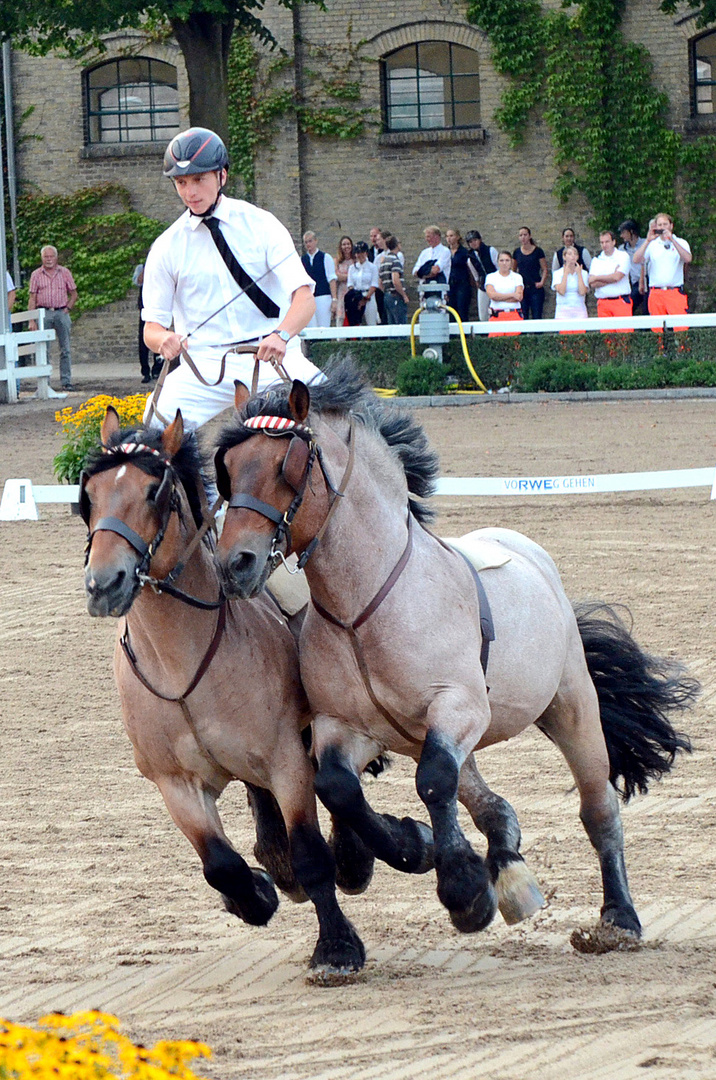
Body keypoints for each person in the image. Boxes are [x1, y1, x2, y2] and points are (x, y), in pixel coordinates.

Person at [141, 127, 320, 430]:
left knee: (348, 415)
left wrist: (282, 335)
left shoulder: (262, 224)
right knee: (152, 431)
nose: (190, 192)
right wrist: (164, 340)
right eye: (181, 182)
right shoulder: (165, 246)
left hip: (272, 357)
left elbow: (304, 300)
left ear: (222, 175)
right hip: (202, 368)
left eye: (199, 180)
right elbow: (152, 328)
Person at [28, 245, 77, 391]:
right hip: (44, 312)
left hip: (61, 312)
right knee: (44, 349)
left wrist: (68, 308)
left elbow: (74, 293)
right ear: (42, 258)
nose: (49, 260)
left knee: (65, 348)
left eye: (51, 256)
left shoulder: (65, 272)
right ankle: (45, 383)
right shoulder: (36, 275)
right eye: (46, 257)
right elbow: (32, 298)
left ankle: (66, 381)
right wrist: (32, 319)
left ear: (56, 257)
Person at [632, 213, 691, 332]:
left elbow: (688, 259)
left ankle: (682, 350)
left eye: (665, 224)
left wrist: (672, 240)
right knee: (656, 330)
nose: (663, 227)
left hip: (674, 291)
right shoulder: (652, 244)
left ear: (671, 226)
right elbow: (636, 260)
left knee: (681, 329)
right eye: (660, 225)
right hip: (656, 293)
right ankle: (660, 351)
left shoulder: (681, 242)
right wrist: (647, 241)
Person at [588, 230, 633, 332]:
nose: (604, 245)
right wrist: (611, 276)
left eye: (607, 242)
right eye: (602, 242)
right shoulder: (597, 260)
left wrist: (598, 277)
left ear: (613, 242)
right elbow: (592, 283)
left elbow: (617, 277)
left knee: (624, 337)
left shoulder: (623, 256)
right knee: (607, 339)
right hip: (603, 303)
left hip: (620, 301)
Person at [133, 263, 162, 383]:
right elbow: (137, 281)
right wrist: (146, 269)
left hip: (159, 308)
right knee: (143, 341)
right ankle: (145, 371)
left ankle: (157, 369)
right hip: (145, 309)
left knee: (159, 339)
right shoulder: (141, 267)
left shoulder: (160, 266)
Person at [302, 232, 337, 327]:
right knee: (310, 327)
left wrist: (334, 299)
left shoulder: (326, 257)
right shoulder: (302, 260)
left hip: (323, 296)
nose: (308, 244)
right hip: (308, 298)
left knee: (323, 326)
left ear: (315, 241)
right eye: (306, 242)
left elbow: (331, 279)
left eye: (310, 241)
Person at [485, 251, 524, 336]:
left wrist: (499, 297)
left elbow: (519, 297)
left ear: (511, 262)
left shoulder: (517, 277)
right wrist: (512, 294)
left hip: (514, 314)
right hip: (496, 314)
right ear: (497, 262)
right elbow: (492, 295)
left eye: (507, 260)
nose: (504, 263)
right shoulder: (491, 277)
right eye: (501, 260)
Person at [512, 227, 547, 319]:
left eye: (525, 235)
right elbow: (513, 270)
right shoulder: (517, 252)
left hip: (535, 288)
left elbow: (544, 269)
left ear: (530, 236)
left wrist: (542, 282)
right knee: (523, 316)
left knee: (537, 315)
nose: (523, 237)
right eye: (521, 235)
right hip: (522, 289)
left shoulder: (538, 251)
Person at [552, 245, 590, 330]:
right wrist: (565, 273)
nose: (572, 256)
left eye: (575, 254)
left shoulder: (584, 273)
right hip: (563, 311)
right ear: (564, 257)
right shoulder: (557, 273)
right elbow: (561, 291)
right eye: (569, 254)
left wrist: (579, 274)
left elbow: (582, 291)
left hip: (579, 309)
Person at [465, 230, 499, 321]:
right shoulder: (470, 258)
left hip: (496, 283)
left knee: (496, 309)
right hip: (483, 284)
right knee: (483, 313)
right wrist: (479, 283)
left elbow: (498, 266)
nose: (473, 243)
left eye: (475, 240)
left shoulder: (490, 250)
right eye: (470, 242)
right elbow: (475, 274)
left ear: (480, 240)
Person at [344, 240, 379, 325]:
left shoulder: (372, 267)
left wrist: (365, 298)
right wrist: (357, 298)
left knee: (371, 322)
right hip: (356, 297)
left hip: (369, 296)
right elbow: (350, 284)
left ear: (366, 253)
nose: (360, 255)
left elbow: (374, 284)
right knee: (356, 322)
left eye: (362, 252)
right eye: (358, 253)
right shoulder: (352, 268)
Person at [618, 219, 647, 316]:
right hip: (635, 283)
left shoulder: (645, 244)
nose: (621, 236)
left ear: (631, 232)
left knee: (648, 309)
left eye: (624, 233)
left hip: (648, 280)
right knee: (628, 306)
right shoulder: (622, 249)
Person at [378, 236, 410, 324]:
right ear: (396, 245)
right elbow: (395, 280)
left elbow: (380, 282)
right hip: (396, 296)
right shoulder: (395, 260)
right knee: (400, 324)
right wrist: (403, 295)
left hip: (387, 295)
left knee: (391, 324)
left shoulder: (383, 261)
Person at [445, 228, 472, 321]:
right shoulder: (445, 252)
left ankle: (463, 333)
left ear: (457, 237)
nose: (449, 238)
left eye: (451, 236)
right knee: (451, 309)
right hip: (450, 284)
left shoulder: (464, 252)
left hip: (462, 283)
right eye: (447, 236)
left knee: (462, 308)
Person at [368, 227, 387, 323]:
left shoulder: (384, 252)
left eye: (375, 236)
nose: (373, 238)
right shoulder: (368, 252)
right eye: (371, 236)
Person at [335, 235, 355, 326]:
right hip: (341, 292)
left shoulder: (355, 260)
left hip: (353, 291)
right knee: (341, 317)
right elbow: (336, 276)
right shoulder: (337, 261)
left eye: (348, 244)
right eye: (344, 244)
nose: (346, 246)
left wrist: (344, 276)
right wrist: (351, 275)